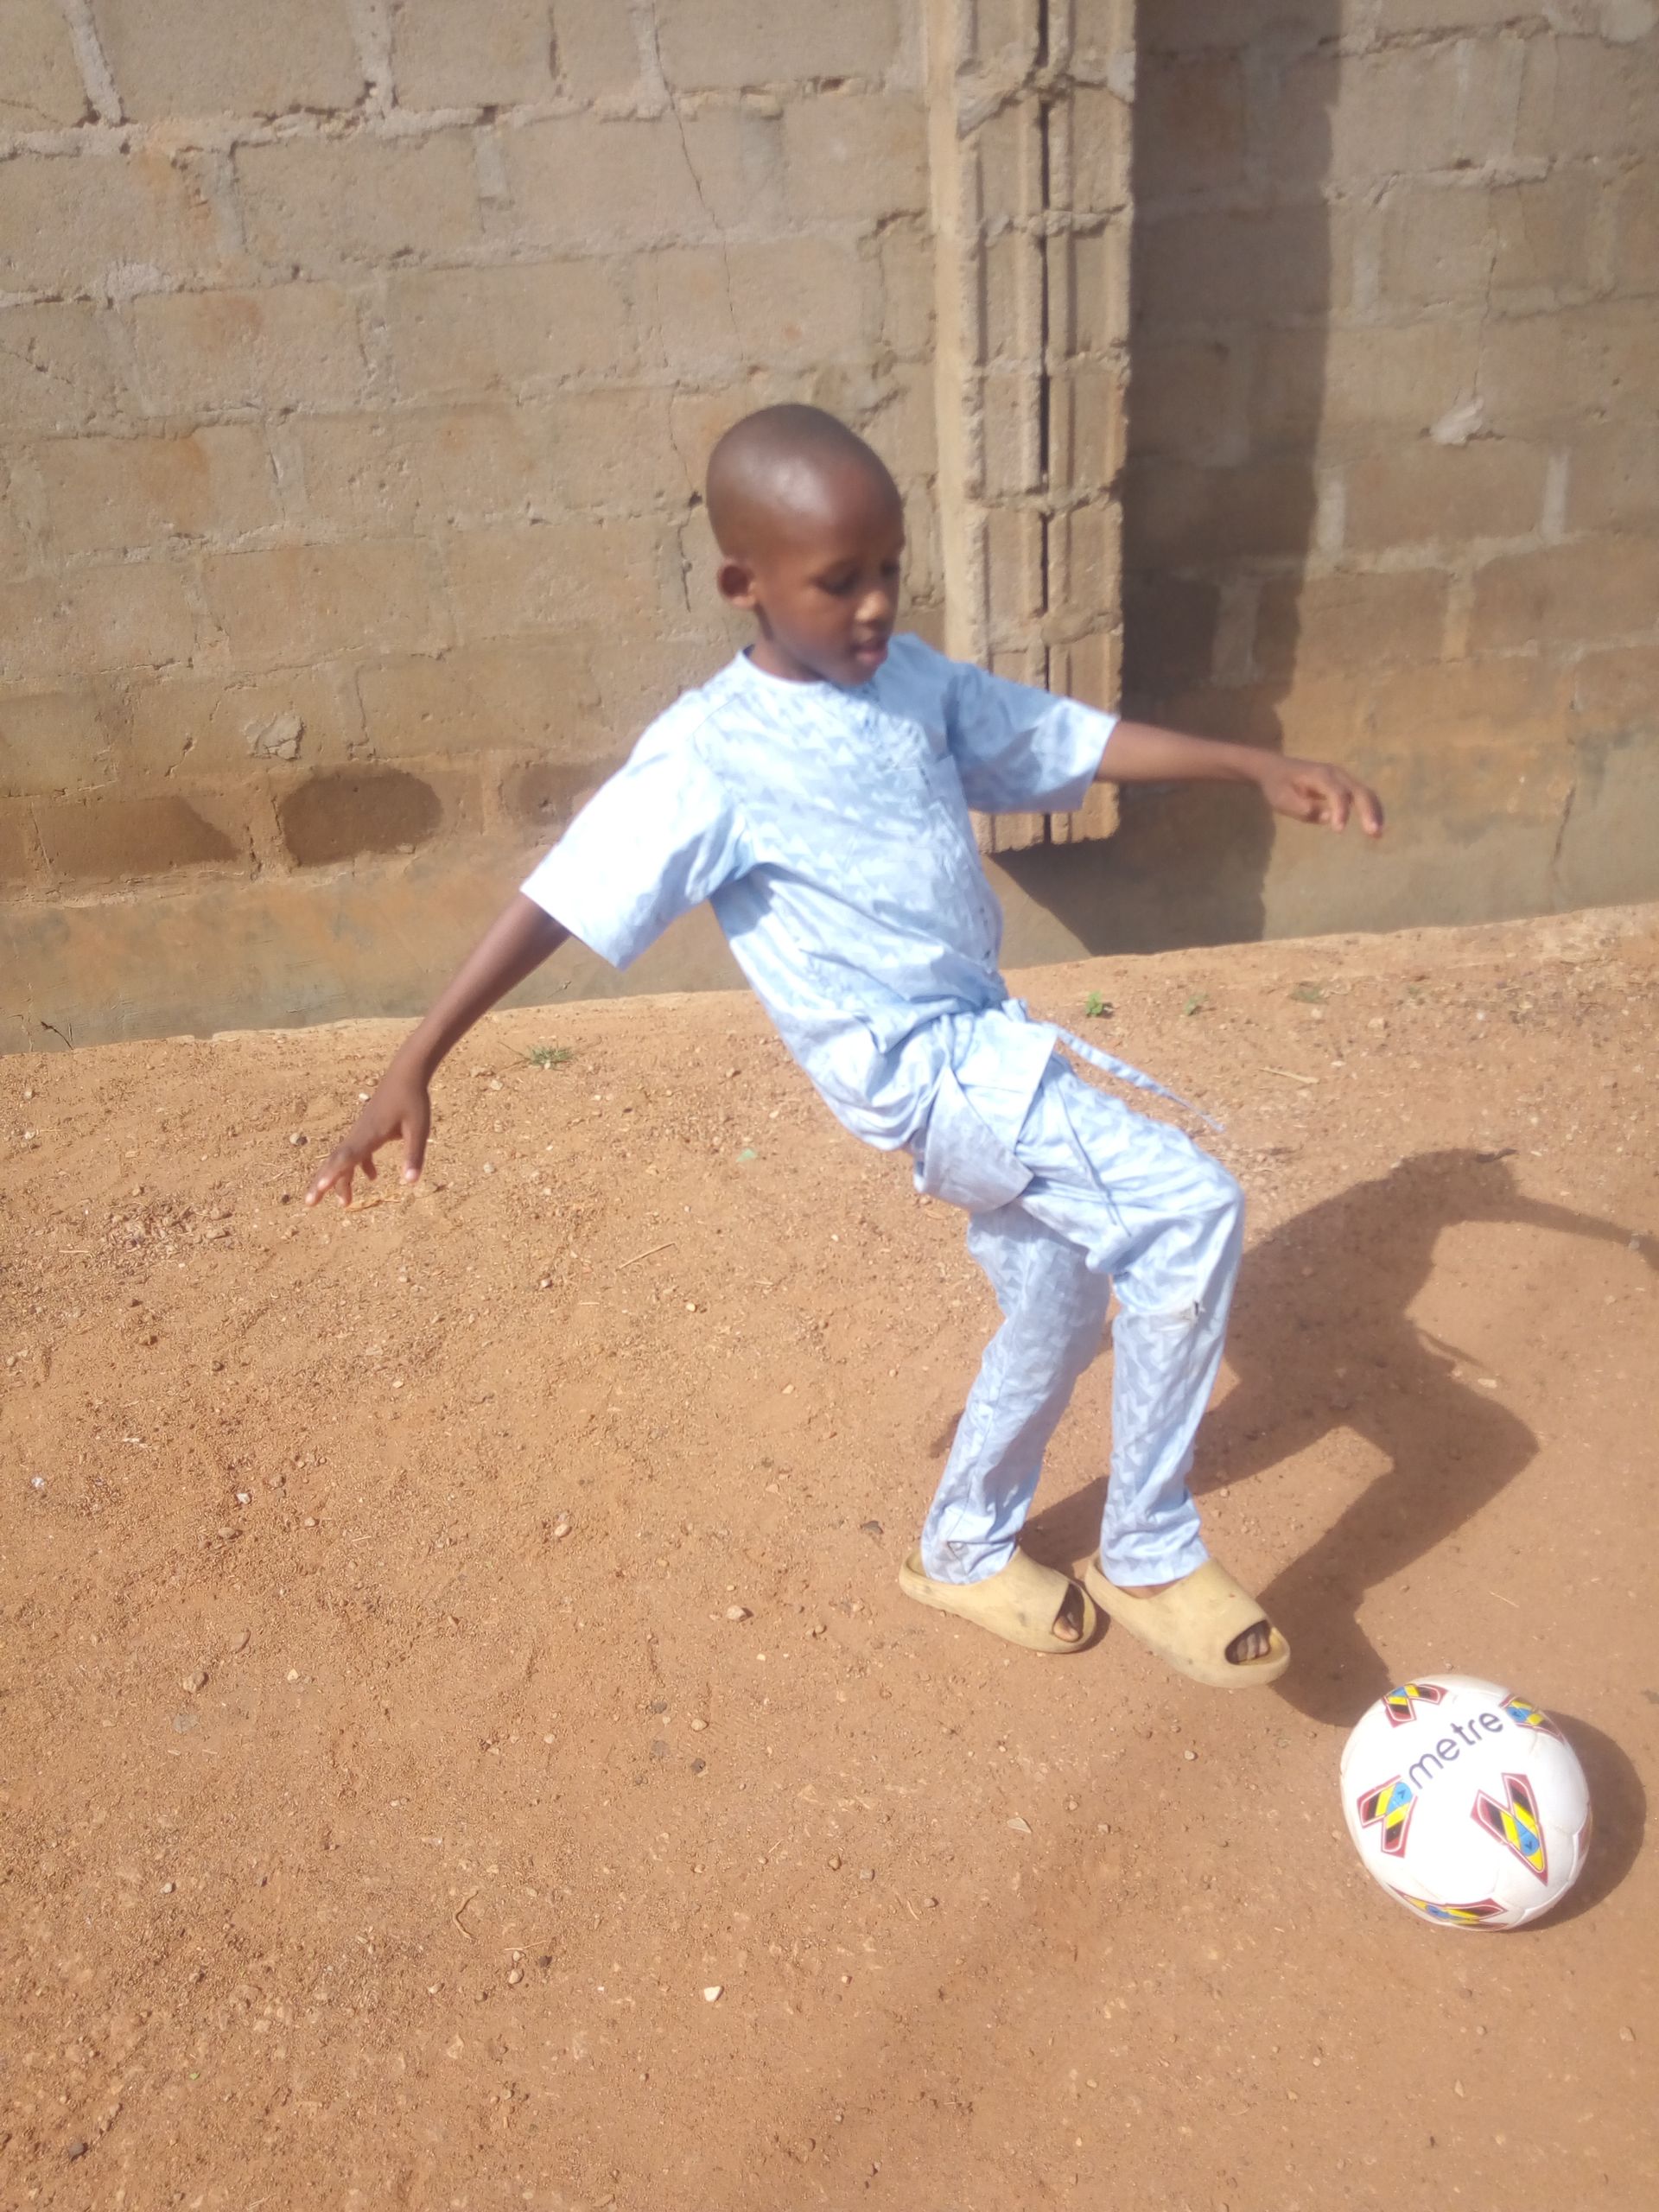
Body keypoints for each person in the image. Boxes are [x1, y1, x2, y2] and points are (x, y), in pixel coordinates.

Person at [307, 404, 1384, 1687]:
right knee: (1188, 1209)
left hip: (982, 1040)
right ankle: (1148, 1550)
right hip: (928, 1074)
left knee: (1056, 1300)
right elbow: (564, 893)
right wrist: (416, 1059)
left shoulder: (910, 682)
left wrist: (1246, 763)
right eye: (839, 581)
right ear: (744, 585)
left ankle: (963, 1548)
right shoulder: (709, 756)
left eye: (889, 570)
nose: (875, 604)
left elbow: (1058, 738)